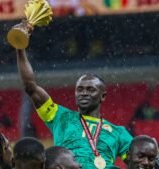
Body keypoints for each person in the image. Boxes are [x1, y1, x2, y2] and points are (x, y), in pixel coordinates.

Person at [14, 22, 133, 169]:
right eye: (80, 89)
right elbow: (30, 87)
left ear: (103, 96)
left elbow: (141, 160)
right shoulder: (60, 117)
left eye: (90, 89)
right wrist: (20, 47)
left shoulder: (118, 132)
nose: (84, 93)